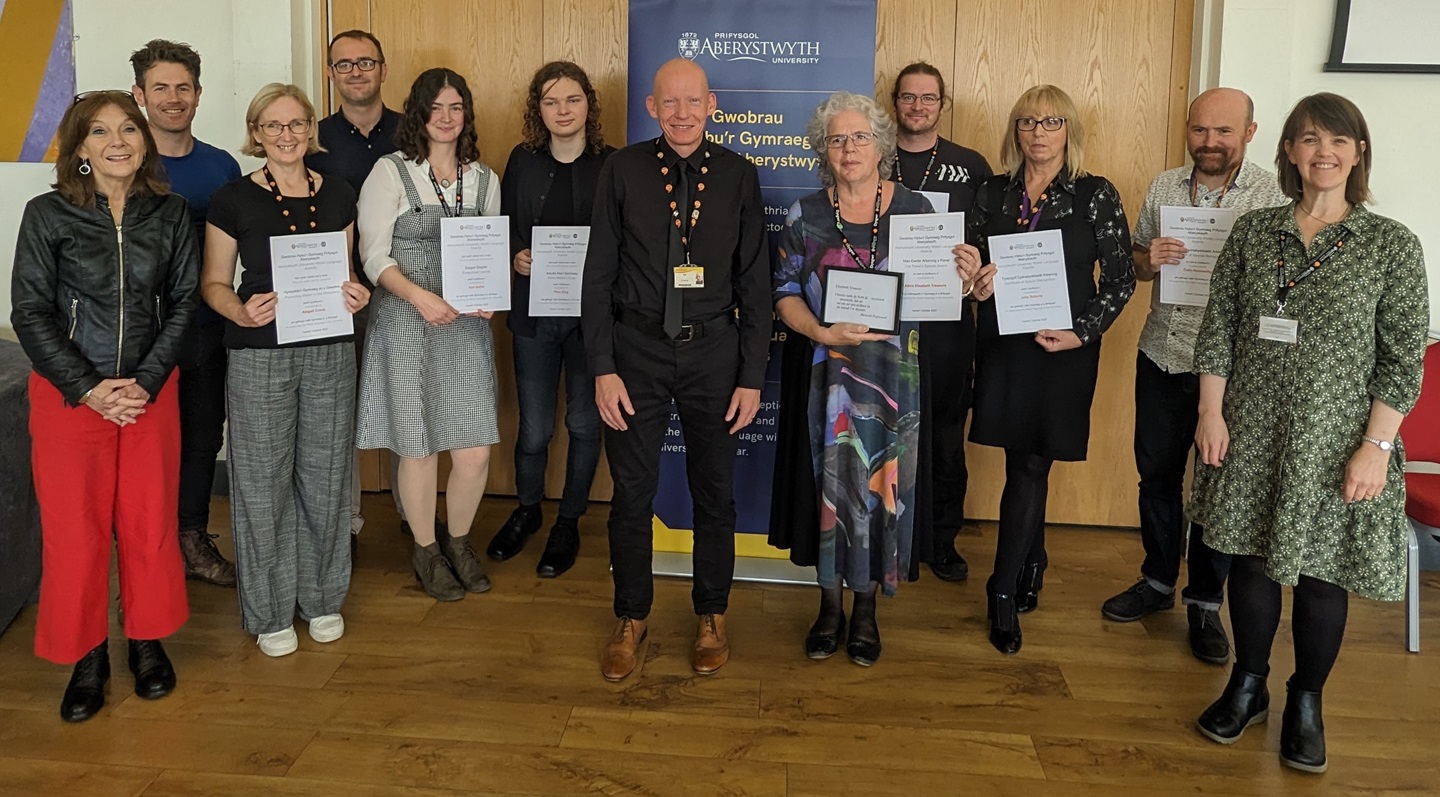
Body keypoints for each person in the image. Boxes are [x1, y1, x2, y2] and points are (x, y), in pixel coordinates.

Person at [1190, 93, 1428, 775]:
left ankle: (1306, 700)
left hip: (1340, 443)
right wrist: (1211, 412)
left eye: (1339, 141)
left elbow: (1403, 354)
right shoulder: (1255, 230)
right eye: (1310, 139)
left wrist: (1376, 447)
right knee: (1251, 563)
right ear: (1289, 151)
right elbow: (1221, 326)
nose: (1324, 151)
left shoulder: (1391, 245)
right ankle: (1248, 683)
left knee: (1323, 577)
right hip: (1251, 431)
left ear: (1359, 152)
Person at [773, 91, 979, 666]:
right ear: (822, 150)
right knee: (830, 493)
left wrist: (962, 277)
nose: (849, 148)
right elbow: (782, 293)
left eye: (860, 136)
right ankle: (830, 607)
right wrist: (820, 331)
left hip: (897, 381)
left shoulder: (917, 211)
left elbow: (941, 297)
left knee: (883, 490)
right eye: (836, 139)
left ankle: (866, 610)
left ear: (882, 145)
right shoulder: (806, 214)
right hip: (828, 379)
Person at [11, 91, 196, 721]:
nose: (117, 141)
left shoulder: (170, 213)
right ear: (80, 147)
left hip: (150, 392)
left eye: (127, 129)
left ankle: (147, 641)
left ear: (143, 141)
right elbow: (29, 312)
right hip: (70, 397)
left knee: (147, 523)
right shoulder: (46, 214)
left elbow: (183, 304)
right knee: (76, 532)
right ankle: (87, 656)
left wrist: (142, 381)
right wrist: (89, 387)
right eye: (99, 131)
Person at [582, 59, 769, 682]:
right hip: (635, 354)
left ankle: (712, 613)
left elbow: (756, 285)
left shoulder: (740, 176)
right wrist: (603, 369)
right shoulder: (622, 170)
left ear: (712, 105)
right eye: (671, 103)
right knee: (631, 494)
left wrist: (751, 376)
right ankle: (631, 616)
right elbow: (598, 277)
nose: (683, 114)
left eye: (694, 102)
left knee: (715, 494)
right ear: (651, 108)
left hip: (715, 356)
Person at [1100, 88, 1288, 664]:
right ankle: (1157, 581)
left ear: (1250, 134)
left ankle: (1204, 602)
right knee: (1155, 476)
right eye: (1200, 130)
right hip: (1162, 352)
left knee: (1215, 488)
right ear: (1188, 128)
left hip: (1234, 370)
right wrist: (1146, 259)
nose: (1210, 142)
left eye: (1224, 132)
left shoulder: (1274, 196)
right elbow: (1130, 262)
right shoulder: (1162, 186)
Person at [202, 83, 370, 657]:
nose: (286, 135)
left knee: (324, 480)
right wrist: (240, 311)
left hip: (329, 350)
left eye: (296, 123)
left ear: (310, 129)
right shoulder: (232, 199)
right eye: (272, 126)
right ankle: (271, 609)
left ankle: (322, 597)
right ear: (256, 134)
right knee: (261, 483)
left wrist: (357, 295)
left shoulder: (341, 193)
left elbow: (349, 273)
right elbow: (214, 284)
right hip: (259, 354)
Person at [967, 84, 1135, 655]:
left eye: (1052, 122)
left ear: (1070, 131)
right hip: (1005, 347)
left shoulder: (1095, 194)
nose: (1039, 132)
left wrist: (1081, 332)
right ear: (1015, 131)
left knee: (1032, 463)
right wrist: (976, 282)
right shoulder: (989, 192)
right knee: (1023, 459)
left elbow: (1120, 280)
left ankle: (1002, 591)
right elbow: (969, 268)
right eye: (1028, 122)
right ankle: (1032, 559)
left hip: (1063, 348)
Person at [354, 68, 502, 602]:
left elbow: (488, 249)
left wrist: (490, 295)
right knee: (416, 447)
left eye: (456, 106)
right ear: (419, 113)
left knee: (473, 451)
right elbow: (373, 256)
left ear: (466, 114)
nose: (446, 117)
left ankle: (458, 541)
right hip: (406, 319)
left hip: (465, 328)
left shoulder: (485, 178)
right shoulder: (390, 172)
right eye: (436, 107)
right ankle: (425, 549)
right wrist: (420, 296)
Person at [488, 61, 614, 577]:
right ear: (538, 109)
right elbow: (505, 226)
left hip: (592, 321)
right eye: (550, 101)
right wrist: (516, 254)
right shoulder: (522, 159)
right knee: (536, 427)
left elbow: (625, 237)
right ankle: (527, 510)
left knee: (584, 423)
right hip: (535, 315)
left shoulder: (613, 164)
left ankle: (568, 521)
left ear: (588, 104)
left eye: (572, 100)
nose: (562, 111)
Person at [130, 39, 241, 587]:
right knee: (146, 447)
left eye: (183, 88)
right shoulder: (120, 161)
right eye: (160, 88)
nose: (173, 99)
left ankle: (192, 539)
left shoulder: (221, 165)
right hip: (137, 337)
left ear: (198, 94)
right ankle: (144, 556)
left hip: (207, 327)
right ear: (139, 95)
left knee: (202, 438)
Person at [304, 29, 414, 549]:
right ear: (330, 74)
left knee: (405, 403)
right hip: (334, 298)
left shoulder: (413, 133)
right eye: (343, 64)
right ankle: (344, 523)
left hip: (405, 295)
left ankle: (413, 516)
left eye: (365, 62)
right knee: (338, 411)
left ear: (383, 69)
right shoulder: (311, 140)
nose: (355, 72)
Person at [888, 61, 993, 583]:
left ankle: (942, 538)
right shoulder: (873, 157)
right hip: (884, 316)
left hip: (949, 321)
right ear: (895, 103)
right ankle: (893, 535)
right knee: (886, 428)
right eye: (908, 97)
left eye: (928, 98)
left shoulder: (970, 166)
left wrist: (978, 274)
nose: (918, 107)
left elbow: (989, 241)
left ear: (942, 105)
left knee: (946, 433)